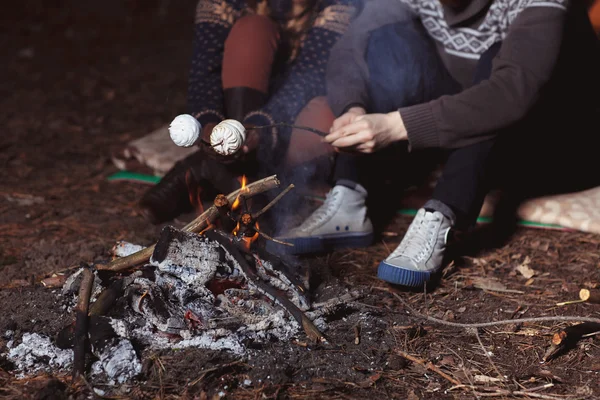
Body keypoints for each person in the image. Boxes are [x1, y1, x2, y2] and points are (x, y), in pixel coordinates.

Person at [276, 0, 600, 287]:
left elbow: (512, 93)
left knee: (496, 60)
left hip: (556, 140)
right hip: (471, 124)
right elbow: (354, 44)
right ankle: (350, 195)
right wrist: (353, 108)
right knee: (386, 39)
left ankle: (443, 212)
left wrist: (394, 125)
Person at [139, 0, 361, 224]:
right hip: (238, 107)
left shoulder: (337, 4)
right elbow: (204, 71)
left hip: (293, 115)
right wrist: (208, 125)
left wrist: (259, 129)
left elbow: (309, 76)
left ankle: (209, 170)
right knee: (253, 29)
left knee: (332, 118)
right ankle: (240, 178)